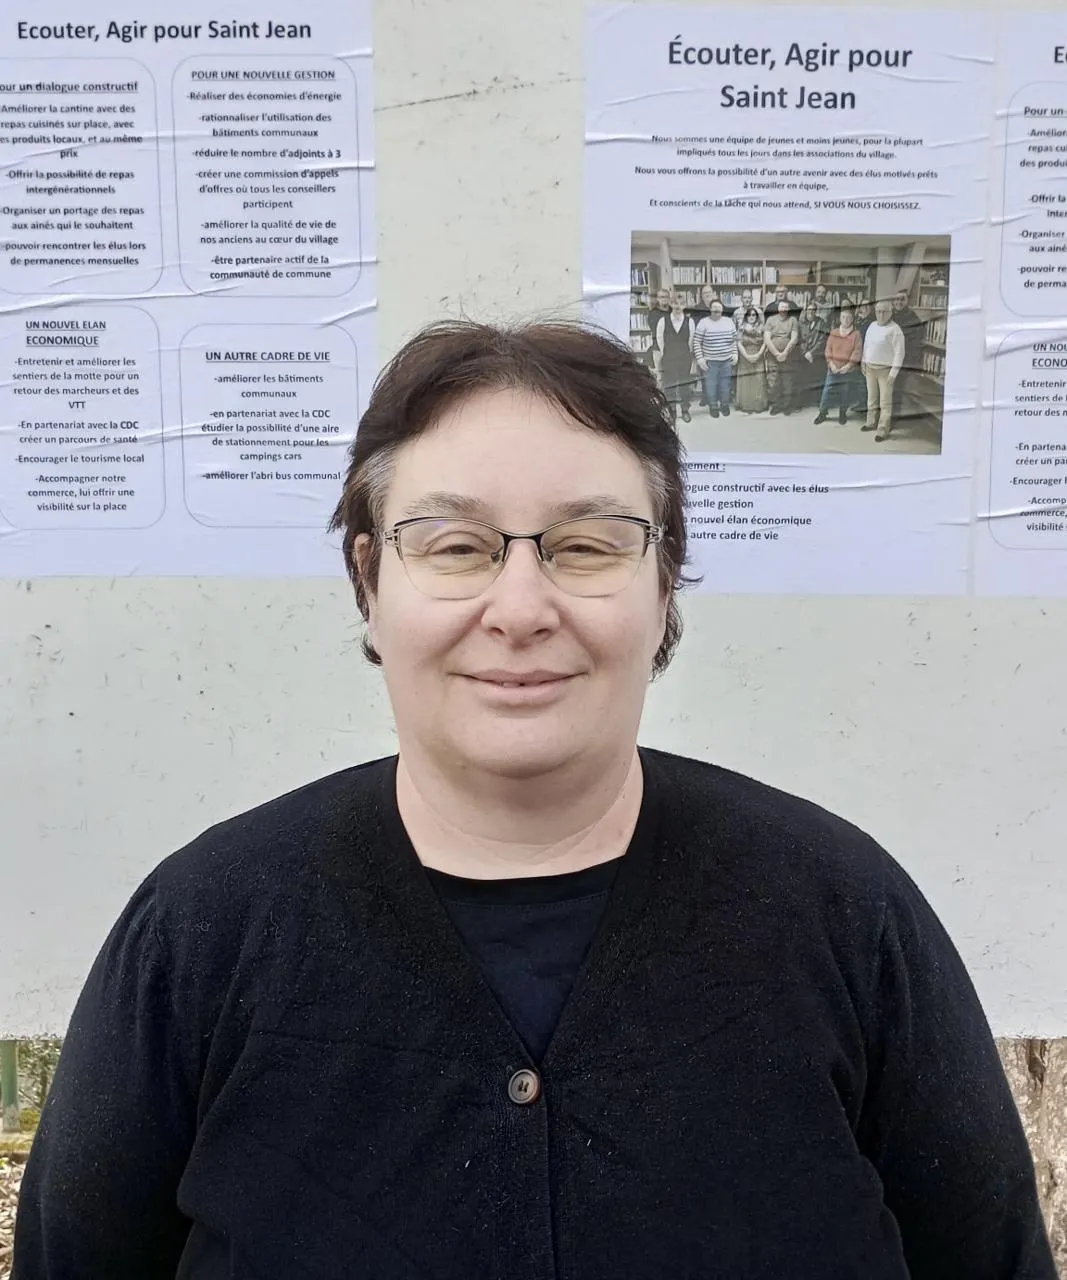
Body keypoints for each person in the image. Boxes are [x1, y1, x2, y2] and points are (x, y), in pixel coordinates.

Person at [12, 321, 1058, 1280]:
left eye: (587, 544)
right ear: (370, 581)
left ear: (663, 583)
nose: (519, 608)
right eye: (455, 546)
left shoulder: (842, 913)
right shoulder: (201, 932)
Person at [862, 300, 906, 442]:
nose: (881, 315)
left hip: (886, 371)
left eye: (884, 312)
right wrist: (863, 361)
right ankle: (870, 423)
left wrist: (893, 373)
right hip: (870, 368)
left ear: (890, 312)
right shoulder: (872, 326)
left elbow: (900, 353)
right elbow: (866, 345)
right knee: (871, 398)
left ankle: (882, 430)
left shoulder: (895, 329)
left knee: (885, 403)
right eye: (878, 311)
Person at [652, 291, 696, 424]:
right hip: (669, 357)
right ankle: (672, 412)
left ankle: (685, 410)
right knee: (669, 385)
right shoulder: (663, 321)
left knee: (684, 385)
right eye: (675, 303)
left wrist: (685, 353)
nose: (678, 306)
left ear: (684, 305)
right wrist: (666, 352)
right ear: (671, 304)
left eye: (681, 304)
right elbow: (659, 339)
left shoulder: (690, 321)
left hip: (684, 357)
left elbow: (691, 340)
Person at [815, 304, 864, 425]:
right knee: (827, 391)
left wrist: (848, 366)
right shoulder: (834, 332)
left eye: (848, 317)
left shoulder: (856, 334)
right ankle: (822, 413)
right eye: (843, 317)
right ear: (840, 318)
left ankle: (842, 413)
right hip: (833, 368)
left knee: (845, 392)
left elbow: (857, 352)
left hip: (847, 370)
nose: (846, 320)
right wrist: (831, 364)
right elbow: (828, 350)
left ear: (852, 319)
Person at [691, 298, 737, 418]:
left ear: (722, 309)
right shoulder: (703, 323)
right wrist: (700, 359)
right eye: (714, 308)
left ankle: (724, 405)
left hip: (726, 361)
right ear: (710, 309)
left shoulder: (729, 322)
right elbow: (696, 342)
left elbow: (734, 340)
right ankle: (713, 406)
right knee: (711, 386)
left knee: (725, 386)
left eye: (719, 308)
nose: (716, 310)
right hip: (710, 362)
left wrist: (735, 354)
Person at [891, 287, 924, 428]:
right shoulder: (890, 315)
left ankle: (893, 419)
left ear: (907, 301)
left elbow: (917, 342)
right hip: (887, 358)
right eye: (896, 299)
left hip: (903, 360)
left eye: (902, 299)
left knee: (896, 390)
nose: (899, 302)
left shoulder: (913, 318)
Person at [763, 297, 800, 415]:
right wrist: (776, 354)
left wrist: (785, 353)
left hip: (788, 356)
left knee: (787, 381)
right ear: (778, 308)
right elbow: (767, 339)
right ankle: (776, 405)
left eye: (785, 307)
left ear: (788, 309)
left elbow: (794, 338)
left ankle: (786, 406)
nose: (783, 309)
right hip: (772, 356)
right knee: (773, 382)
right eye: (781, 307)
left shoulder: (793, 320)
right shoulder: (770, 319)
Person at [735, 305, 768, 413]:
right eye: (749, 315)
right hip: (745, 356)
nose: (751, 317)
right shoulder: (741, 327)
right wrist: (747, 356)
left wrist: (758, 355)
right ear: (746, 316)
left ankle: (758, 406)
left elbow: (765, 343)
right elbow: (739, 343)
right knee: (746, 381)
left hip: (759, 355)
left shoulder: (762, 327)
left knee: (758, 381)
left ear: (757, 316)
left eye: (754, 315)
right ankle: (747, 406)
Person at [799, 300, 831, 408]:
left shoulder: (821, 323)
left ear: (816, 311)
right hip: (804, 356)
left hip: (817, 355)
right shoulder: (801, 323)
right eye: (809, 310)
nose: (811, 312)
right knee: (804, 377)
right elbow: (799, 340)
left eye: (813, 310)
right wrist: (805, 353)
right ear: (806, 311)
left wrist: (811, 353)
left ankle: (818, 401)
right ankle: (806, 401)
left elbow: (822, 340)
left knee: (818, 378)